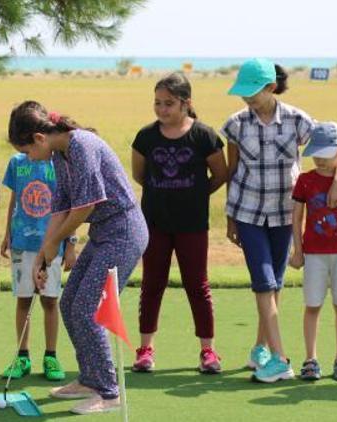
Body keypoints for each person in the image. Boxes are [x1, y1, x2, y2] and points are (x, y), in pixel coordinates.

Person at [8, 101, 148, 414]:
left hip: (124, 233)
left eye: (27, 150)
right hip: (103, 234)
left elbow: (85, 207)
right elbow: (60, 208)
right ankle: (89, 379)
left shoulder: (82, 145)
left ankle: (109, 393)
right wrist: (44, 258)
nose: (29, 157)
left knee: (88, 309)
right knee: (70, 302)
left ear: (40, 139)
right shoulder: (59, 155)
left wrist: (54, 243)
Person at [223, 58, 337, 383]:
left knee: (274, 285)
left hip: (285, 213)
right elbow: (232, 172)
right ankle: (280, 359)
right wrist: (230, 216)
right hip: (248, 212)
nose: (247, 98)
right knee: (263, 282)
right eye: (243, 92)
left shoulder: (298, 119)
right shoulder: (235, 124)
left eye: (253, 92)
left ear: (271, 88)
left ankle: (259, 349)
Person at [131, 73, 227, 374]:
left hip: (193, 224)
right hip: (155, 223)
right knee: (152, 284)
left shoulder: (205, 136)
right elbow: (139, 175)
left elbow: (220, 174)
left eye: (169, 103)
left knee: (197, 285)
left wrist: (197, 194)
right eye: (157, 103)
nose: (162, 109)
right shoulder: (145, 137)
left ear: (187, 103)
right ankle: (145, 349)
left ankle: (208, 351)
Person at [289, 122, 337, 381]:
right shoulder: (305, 181)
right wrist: (297, 251)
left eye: (326, 153)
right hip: (314, 255)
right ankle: (310, 359)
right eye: (316, 153)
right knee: (313, 305)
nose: (320, 159)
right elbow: (297, 217)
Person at [0, 147, 75, 381]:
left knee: (50, 301)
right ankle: (23, 357)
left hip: (52, 243)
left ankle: (50, 356)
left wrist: (70, 243)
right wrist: (7, 234)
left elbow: (70, 206)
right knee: (24, 300)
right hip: (22, 241)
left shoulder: (58, 163)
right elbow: (14, 199)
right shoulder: (16, 162)